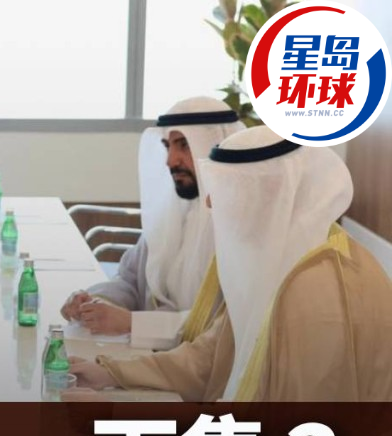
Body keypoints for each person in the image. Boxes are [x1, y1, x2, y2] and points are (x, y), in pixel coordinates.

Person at [70, 126, 392, 402]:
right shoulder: (280, 257)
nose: (210, 202)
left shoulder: (318, 290)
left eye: (226, 188)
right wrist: (109, 372)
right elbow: (211, 357)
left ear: (270, 192)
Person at [61, 97, 244, 349]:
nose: (171, 161)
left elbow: (222, 328)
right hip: (150, 356)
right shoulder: (172, 212)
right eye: (168, 147)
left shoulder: (240, 227)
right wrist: (94, 301)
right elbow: (130, 281)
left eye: (183, 145)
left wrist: (133, 323)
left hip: (198, 369)